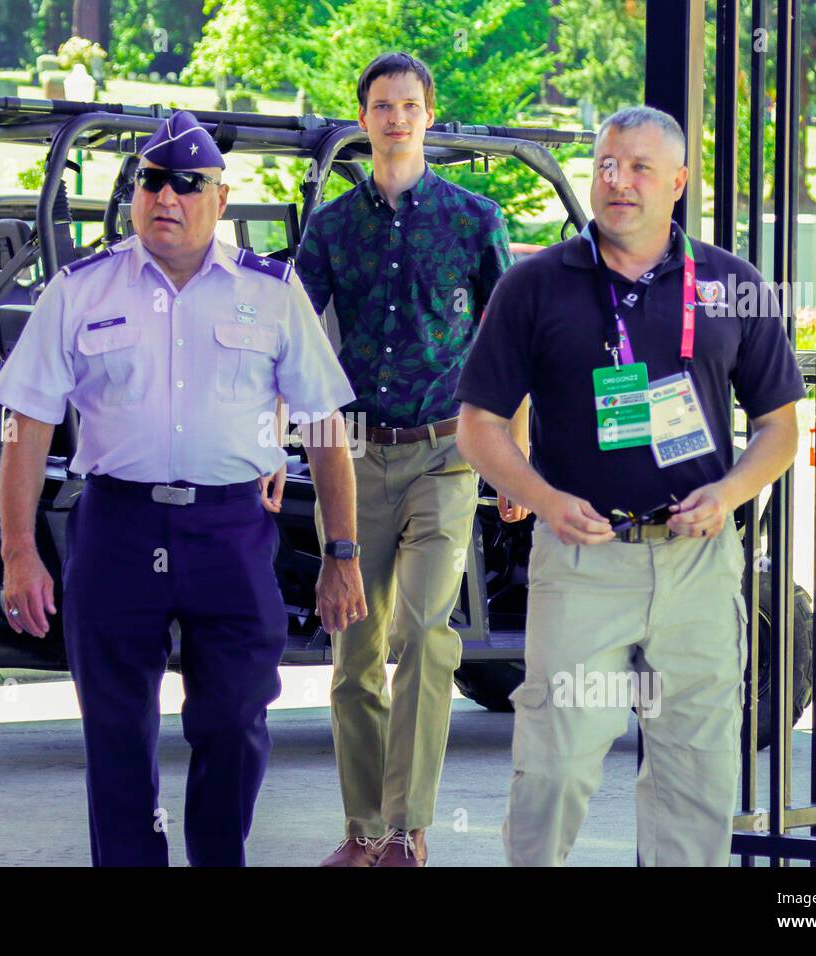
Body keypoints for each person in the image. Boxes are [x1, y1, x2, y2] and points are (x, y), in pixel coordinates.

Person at [0, 110, 366, 867]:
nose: (166, 196)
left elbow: (326, 429)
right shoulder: (80, 292)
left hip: (231, 534)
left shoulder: (272, 292)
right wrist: (19, 553)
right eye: (151, 182)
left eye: (187, 183)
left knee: (233, 718)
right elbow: (24, 426)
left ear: (220, 200)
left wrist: (342, 551)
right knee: (117, 729)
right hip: (116, 529)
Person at [454, 105, 805, 866]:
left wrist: (731, 493)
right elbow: (477, 424)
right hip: (583, 563)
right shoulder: (535, 285)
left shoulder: (731, 284)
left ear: (678, 182)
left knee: (696, 768)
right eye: (608, 165)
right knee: (556, 760)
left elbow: (781, 426)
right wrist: (545, 499)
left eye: (640, 168)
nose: (619, 182)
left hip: (698, 563)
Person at [294, 52, 522, 867]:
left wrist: (515, 456)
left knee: (427, 634)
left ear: (430, 116)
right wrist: (264, 445)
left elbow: (512, 341)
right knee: (355, 651)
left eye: (409, 106)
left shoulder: (473, 220)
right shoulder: (330, 228)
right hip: (354, 461)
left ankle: (407, 830)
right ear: (363, 119)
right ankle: (362, 831)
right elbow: (292, 342)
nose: (395, 119)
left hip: (445, 457)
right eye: (381, 106)